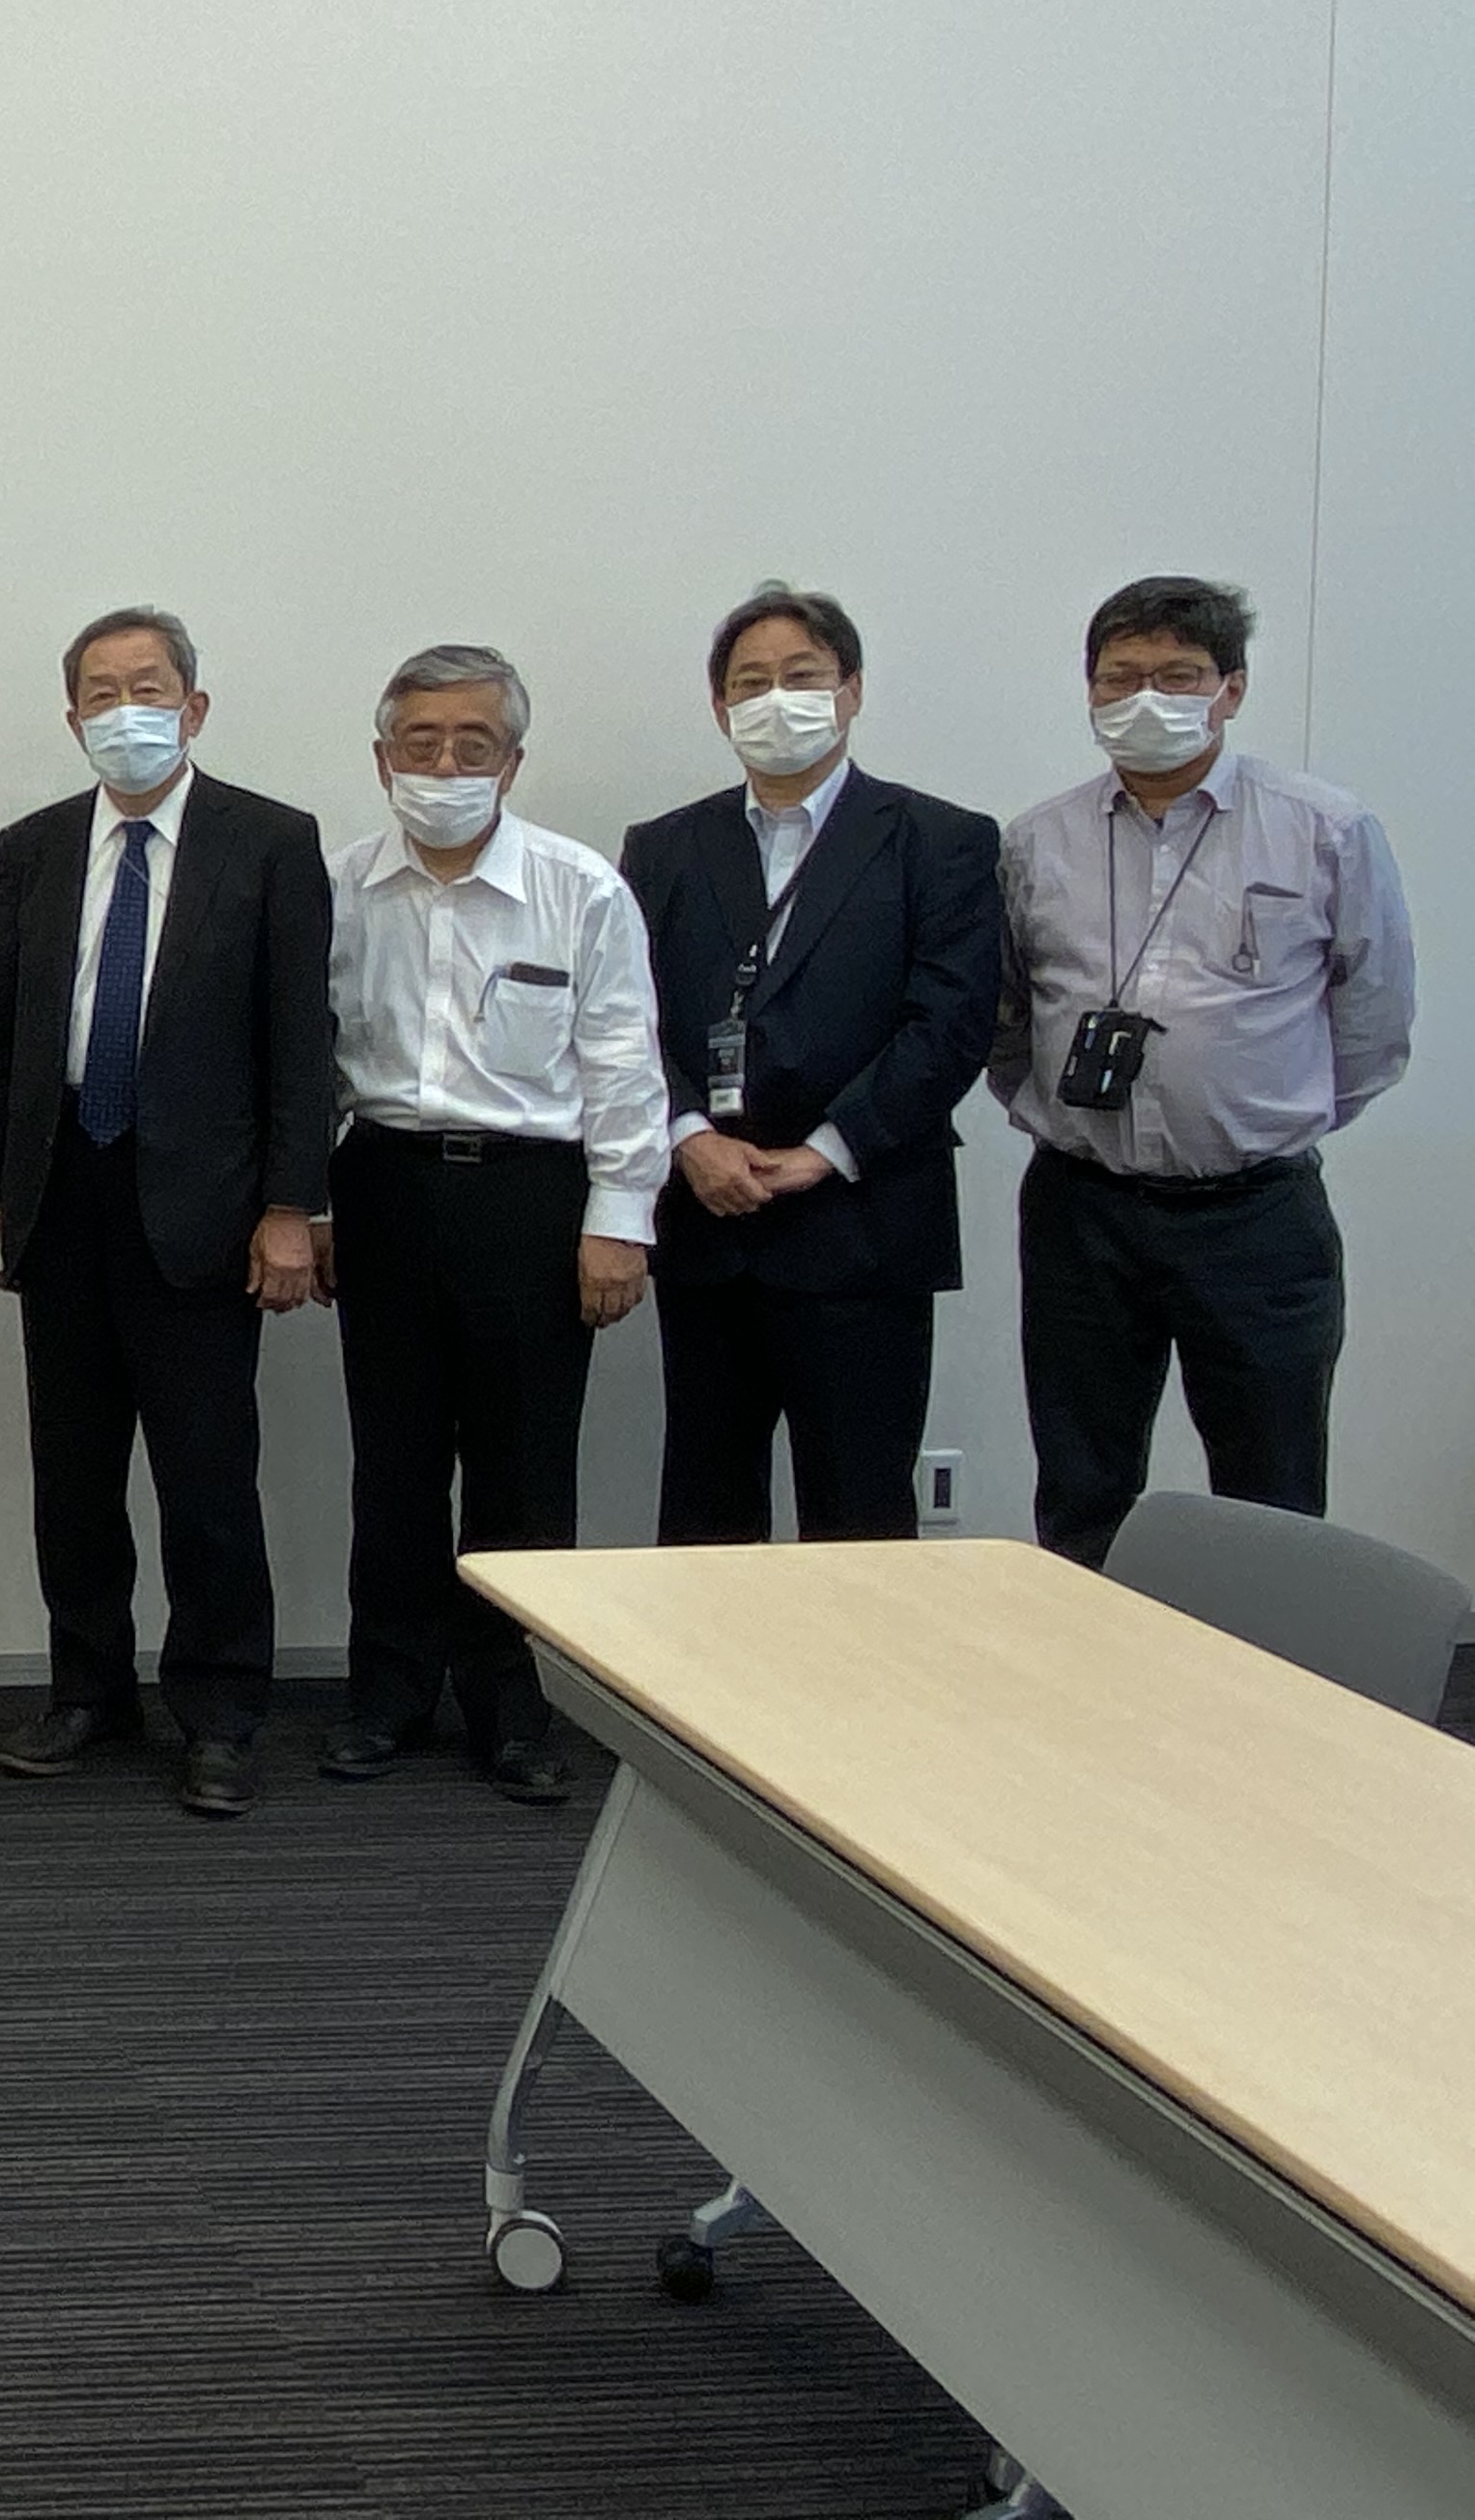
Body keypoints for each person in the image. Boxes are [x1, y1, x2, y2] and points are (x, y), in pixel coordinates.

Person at [0, 608, 334, 1820]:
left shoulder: (271, 841)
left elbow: (300, 1041)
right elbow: (4, 1032)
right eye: (101, 693)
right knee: (71, 1475)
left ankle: (221, 1712)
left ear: (194, 706)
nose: (125, 711)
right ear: (72, 717)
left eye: (149, 687)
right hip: (61, 1189)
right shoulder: (33, 847)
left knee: (206, 1477)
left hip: (205, 1208)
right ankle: (89, 1691)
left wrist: (292, 1207)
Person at [988, 575, 1414, 1565]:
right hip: (1082, 1209)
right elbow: (1006, 1019)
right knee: (1083, 1487)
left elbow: (1374, 1020)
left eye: (1178, 676)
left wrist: (1256, 1115)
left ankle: (1264, 1666)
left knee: (1271, 1492)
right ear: (1090, 690)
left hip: (1255, 1214)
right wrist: (1056, 1108)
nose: (1147, 698)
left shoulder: (1325, 829)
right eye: (1121, 677)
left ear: (1232, 689)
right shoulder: (1035, 840)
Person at [318, 644, 668, 1806]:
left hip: (531, 1199)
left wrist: (620, 1220)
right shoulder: (338, 888)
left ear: (513, 762)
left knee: (523, 1470)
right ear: (382, 759)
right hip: (383, 1186)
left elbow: (623, 1064)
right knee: (395, 1463)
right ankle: (387, 1695)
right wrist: (313, 1204)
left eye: (473, 746)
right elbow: (310, 1062)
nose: (445, 768)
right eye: (420, 745)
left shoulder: (581, 889)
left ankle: (516, 1711)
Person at [620, 587, 1002, 1545]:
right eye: (751, 683)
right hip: (708, 1216)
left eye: (802, 677)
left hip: (863, 1220)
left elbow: (949, 1028)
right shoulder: (664, 847)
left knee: (859, 1515)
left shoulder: (940, 841)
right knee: (705, 1515)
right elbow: (624, 1020)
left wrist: (826, 1151)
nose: (776, 700)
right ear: (720, 708)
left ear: (852, 690)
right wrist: (687, 1136)